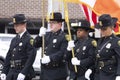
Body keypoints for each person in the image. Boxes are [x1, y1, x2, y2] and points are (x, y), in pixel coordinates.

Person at [0, 14, 36, 80]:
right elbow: (9, 56)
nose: (15, 27)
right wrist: (4, 72)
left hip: (22, 72)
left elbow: (31, 58)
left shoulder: (29, 39)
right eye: (14, 25)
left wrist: (24, 72)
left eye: (17, 25)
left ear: (24, 25)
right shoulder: (14, 39)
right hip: (12, 71)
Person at [34, 12, 68, 80]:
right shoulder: (47, 35)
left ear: (60, 24)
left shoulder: (64, 37)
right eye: (50, 22)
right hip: (45, 72)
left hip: (57, 72)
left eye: (53, 22)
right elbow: (35, 44)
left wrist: (50, 58)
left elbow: (63, 52)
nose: (50, 24)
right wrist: (40, 35)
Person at [94, 14, 120, 80]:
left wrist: (118, 74)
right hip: (98, 74)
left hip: (110, 74)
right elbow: (97, 57)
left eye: (104, 29)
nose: (102, 31)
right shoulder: (100, 40)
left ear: (112, 27)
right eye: (100, 29)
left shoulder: (116, 42)